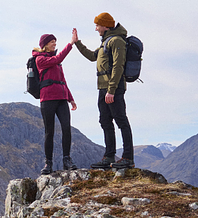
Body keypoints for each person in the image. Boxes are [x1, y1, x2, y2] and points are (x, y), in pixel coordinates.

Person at [72, 12, 134, 169]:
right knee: (105, 121)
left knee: (121, 120)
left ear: (106, 26)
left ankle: (128, 157)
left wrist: (112, 90)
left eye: (97, 25)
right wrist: (77, 43)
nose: (96, 28)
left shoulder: (117, 41)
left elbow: (118, 66)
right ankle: (109, 156)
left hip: (113, 88)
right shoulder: (105, 43)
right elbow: (92, 56)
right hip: (103, 88)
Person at [33, 33, 78, 174]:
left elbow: (63, 81)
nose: (54, 44)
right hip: (47, 99)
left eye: (55, 42)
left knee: (66, 128)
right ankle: (48, 163)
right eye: (52, 42)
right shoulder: (40, 59)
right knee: (49, 132)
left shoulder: (56, 61)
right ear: (44, 44)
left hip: (61, 99)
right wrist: (71, 43)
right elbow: (58, 58)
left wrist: (70, 98)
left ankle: (67, 160)